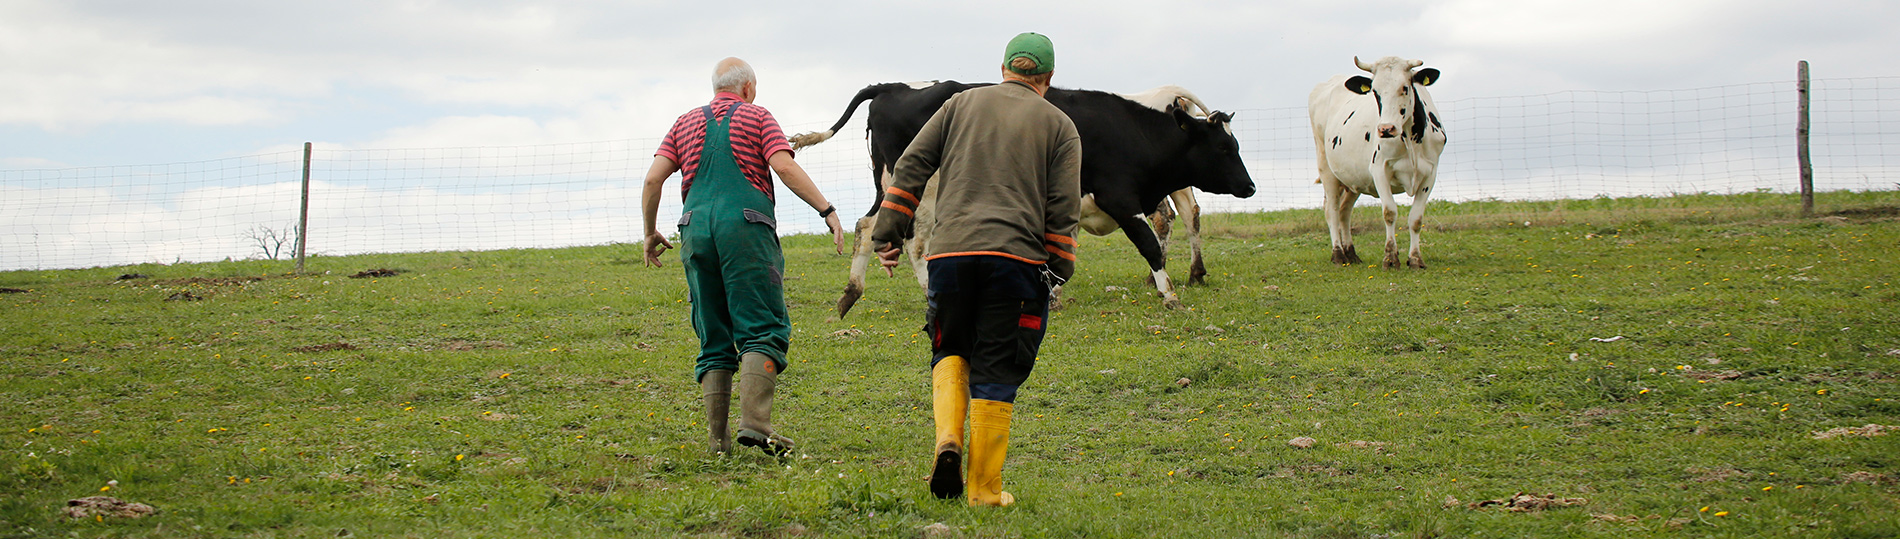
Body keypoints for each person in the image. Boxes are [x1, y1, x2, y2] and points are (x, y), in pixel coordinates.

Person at [871, 33, 1081, 506]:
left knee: (950, 347)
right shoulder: (1060, 125)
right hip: (1015, 260)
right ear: (1047, 78)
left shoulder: (958, 105)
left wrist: (890, 228)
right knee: (998, 368)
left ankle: (949, 440)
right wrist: (1060, 265)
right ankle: (984, 490)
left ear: (1003, 67)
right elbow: (1063, 207)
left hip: (948, 256)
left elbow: (911, 165)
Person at [641, 57, 845, 456]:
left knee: (713, 333)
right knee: (761, 326)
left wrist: (649, 232)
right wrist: (827, 210)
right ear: (748, 87)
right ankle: (755, 425)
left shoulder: (684, 123)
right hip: (746, 229)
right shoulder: (757, 116)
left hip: (695, 230)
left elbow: (653, 178)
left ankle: (718, 443)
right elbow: (783, 166)